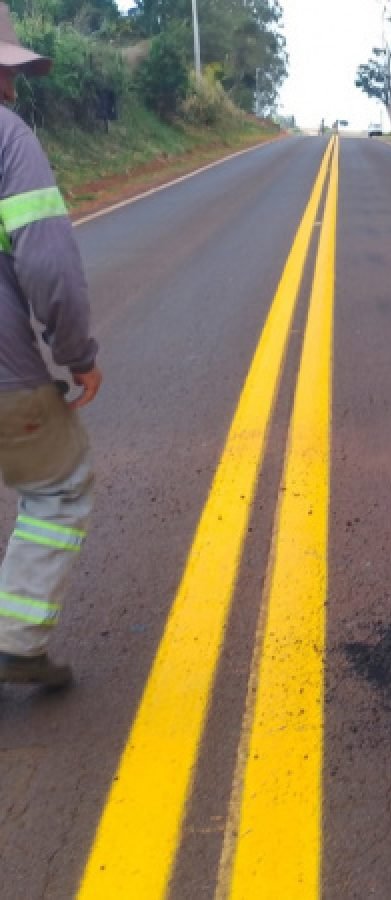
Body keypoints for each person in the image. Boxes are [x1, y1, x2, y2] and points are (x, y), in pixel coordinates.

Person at [0, 4, 101, 690]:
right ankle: (16, 641)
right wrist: (78, 355)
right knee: (60, 489)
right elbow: (50, 264)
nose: (12, 87)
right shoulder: (8, 140)